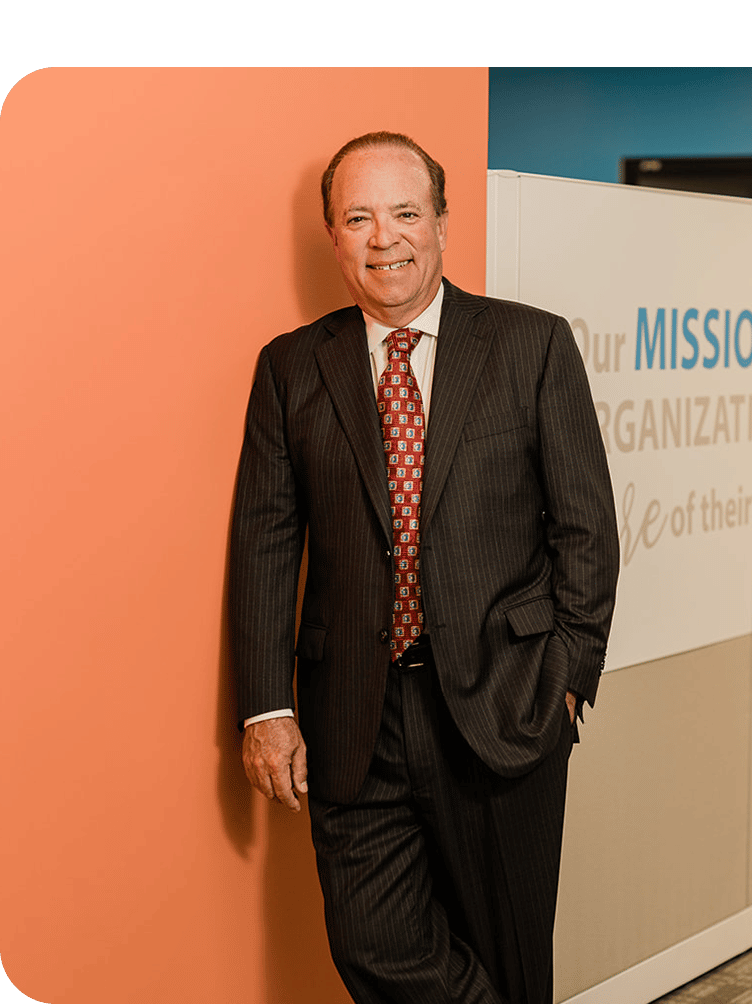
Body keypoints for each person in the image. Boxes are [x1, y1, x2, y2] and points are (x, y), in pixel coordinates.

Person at [229, 131, 619, 1004]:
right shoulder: (292, 367)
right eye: (358, 217)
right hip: (350, 719)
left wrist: (567, 676)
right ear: (332, 235)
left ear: (443, 222)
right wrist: (266, 706)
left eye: (405, 213)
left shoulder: (532, 346)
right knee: (375, 945)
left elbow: (587, 528)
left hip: (503, 704)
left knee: (510, 956)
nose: (384, 238)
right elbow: (264, 540)